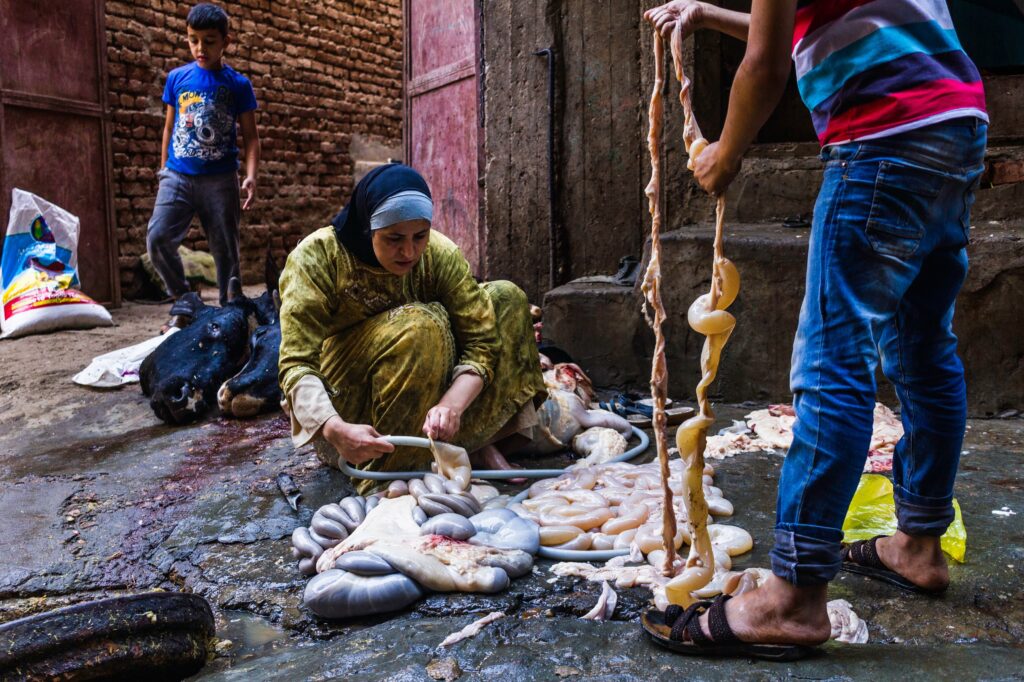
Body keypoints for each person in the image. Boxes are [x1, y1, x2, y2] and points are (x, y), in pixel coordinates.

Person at [643, 0, 987, 656]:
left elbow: (766, 64)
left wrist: (724, 153)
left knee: (834, 360)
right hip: (954, 123)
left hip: (881, 137)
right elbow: (809, 25)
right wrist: (714, 17)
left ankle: (795, 597)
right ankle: (918, 543)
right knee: (922, 345)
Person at [277, 163, 547, 496]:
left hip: (426, 406)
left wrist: (451, 406)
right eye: (393, 239)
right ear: (367, 228)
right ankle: (390, 475)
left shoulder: (438, 254)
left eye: (420, 237)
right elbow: (296, 364)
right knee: (421, 324)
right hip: (350, 418)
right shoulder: (318, 258)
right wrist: (334, 428)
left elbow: (483, 343)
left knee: (505, 298)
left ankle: (473, 443)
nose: (409, 252)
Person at [146, 3, 261, 328]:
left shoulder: (238, 85)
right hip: (177, 175)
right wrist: (163, 170)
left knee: (226, 250)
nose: (200, 48)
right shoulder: (177, 78)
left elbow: (251, 137)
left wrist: (251, 176)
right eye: (193, 40)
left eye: (209, 40)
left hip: (221, 180)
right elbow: (169, 128)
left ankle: (229, 311)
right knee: (157, 237)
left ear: (226, 40)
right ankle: (184, 298)